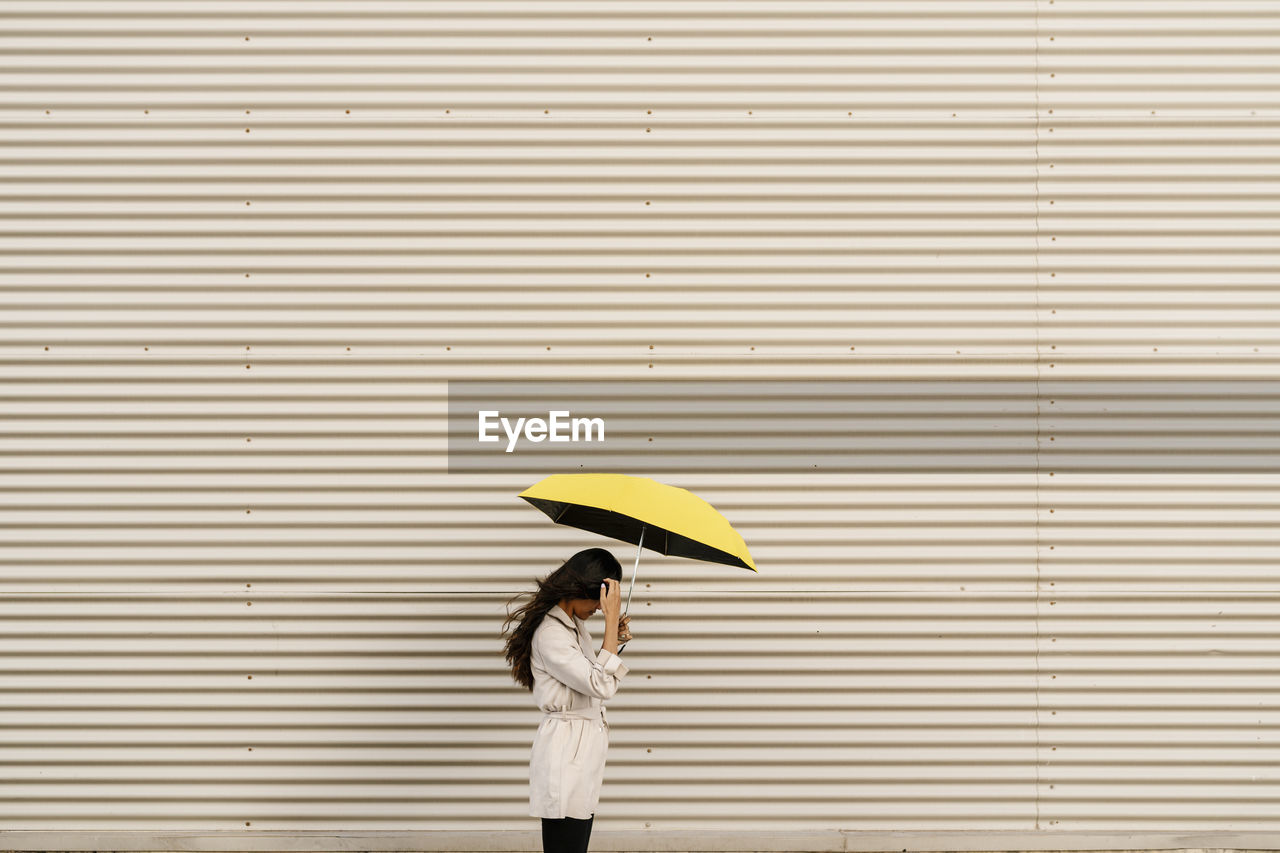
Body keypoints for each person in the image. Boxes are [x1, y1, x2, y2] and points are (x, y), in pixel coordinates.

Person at [502, 548, 634, 853]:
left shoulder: (573, 628)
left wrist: (614, 638)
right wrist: (611, 625)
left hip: (580, 746)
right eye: (598, 602)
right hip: (566, 749)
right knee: (566, 846)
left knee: (576, 842)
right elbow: (601, 683)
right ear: (580, 590)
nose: (599, 610)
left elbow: (593, 676)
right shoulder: (551, 634)